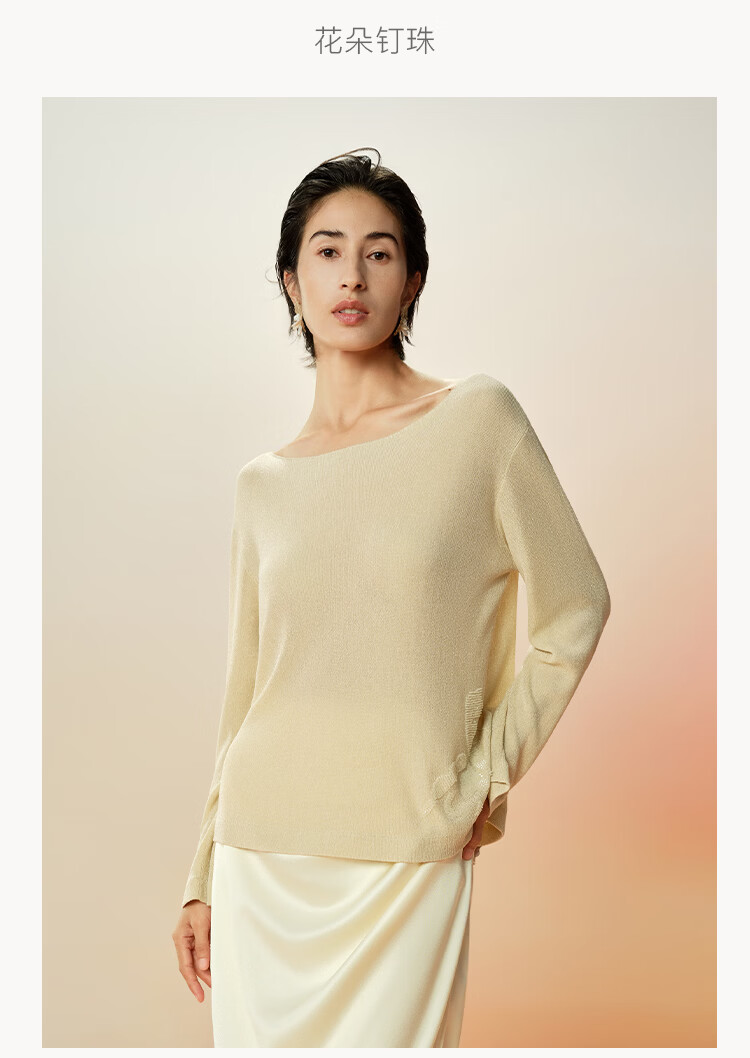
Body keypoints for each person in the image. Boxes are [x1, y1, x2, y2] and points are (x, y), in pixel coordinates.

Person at [171, 147, 611, 1047]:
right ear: (291, 282)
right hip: (260, 851)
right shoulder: (263, 486)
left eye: (380, 252)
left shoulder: (478, 421)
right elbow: (245, 689)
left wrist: (483, 777)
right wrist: (202, 874)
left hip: (409, 842)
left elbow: (578, 605)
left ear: (412, 281)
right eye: (328, 251)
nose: (353, 275)